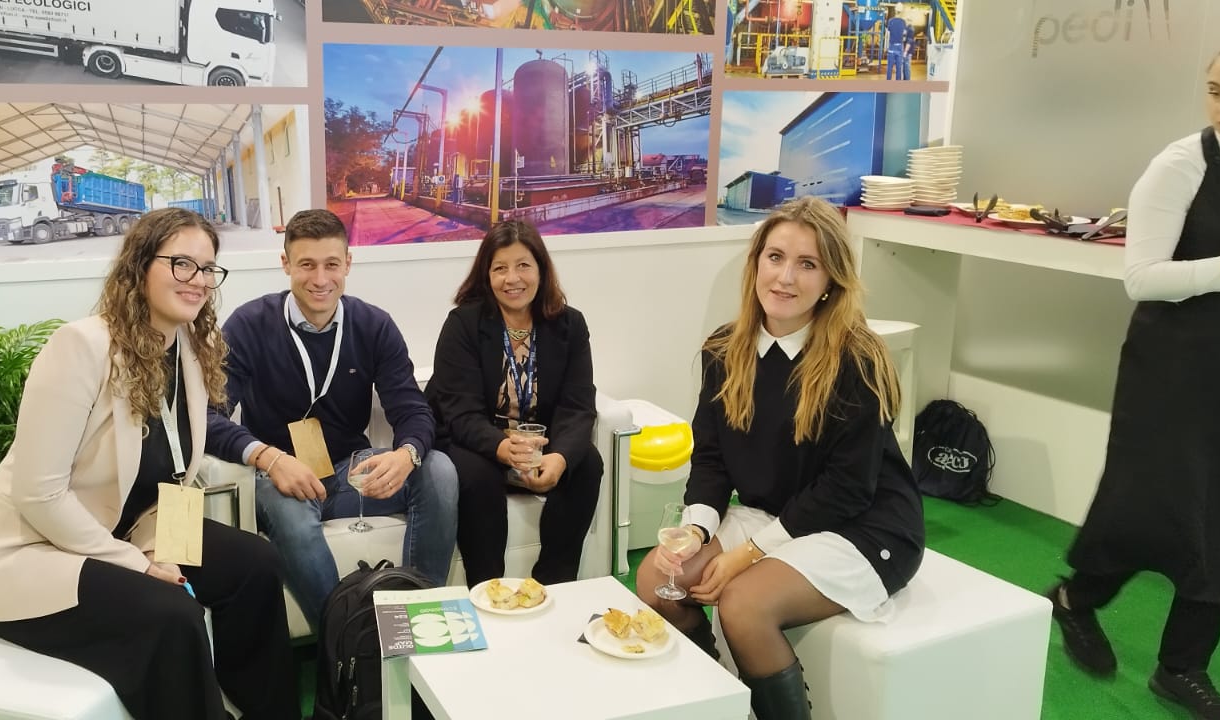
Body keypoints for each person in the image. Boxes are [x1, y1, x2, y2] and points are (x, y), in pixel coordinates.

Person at [0, 208, 299, 720]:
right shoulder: (81, 346)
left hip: (127, 530)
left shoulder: (188, 349)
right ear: (140, 266)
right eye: (182, 263)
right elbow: (38, 495)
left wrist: (162, 546)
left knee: (257, 564)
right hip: (36, 550)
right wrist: (140, 565)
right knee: (173, 613)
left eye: (208, 268)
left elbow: (176, 475)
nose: (198, 280)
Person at [636, 197, 924, 720]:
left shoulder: (857, 359)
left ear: (831, 280)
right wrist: (697, 530)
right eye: (775, 257)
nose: (785, 277)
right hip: (775, 514)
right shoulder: (724, 348)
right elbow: (712, 459)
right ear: (756, 264)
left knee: (743, 604)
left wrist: (747, 555)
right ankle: (721, 700)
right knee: (658, 581)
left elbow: (848, 488)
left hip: (863, 526)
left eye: (807, 264)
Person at [1047, 34, 1220, 720]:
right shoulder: (1181, 164)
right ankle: (1076, 598)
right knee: (1147, 507)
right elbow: (1142, 278)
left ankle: (1181, 668)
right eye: (1215, 91)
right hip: (1172, 372)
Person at [205, 208, 460, 628]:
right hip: (280, 478)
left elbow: (412, 408)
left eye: (331, 264)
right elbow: (207, 415)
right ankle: (346, 641)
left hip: (349, 472)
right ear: (286, 264)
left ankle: (419, 623)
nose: (320, 279)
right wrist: (269, 458)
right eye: (307, 264)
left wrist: (407, 454)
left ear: (348, 264)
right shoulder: (249, 325)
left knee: (439, 470)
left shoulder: (373, 325)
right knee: (288, 512)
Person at [426, 219, 602, 587]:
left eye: (523, 265)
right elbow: (460, 411)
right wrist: (504, 449)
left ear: (541, 269)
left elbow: (578, 404)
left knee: (587, 463)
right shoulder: (463, 324)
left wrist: (559, 457)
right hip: (478, 442)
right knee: (477, 475)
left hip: (537, 443)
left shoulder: (570, 325)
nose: (512, 279)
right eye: (500, 268)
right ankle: (487, 587)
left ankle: (553, 584)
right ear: (486, 274)